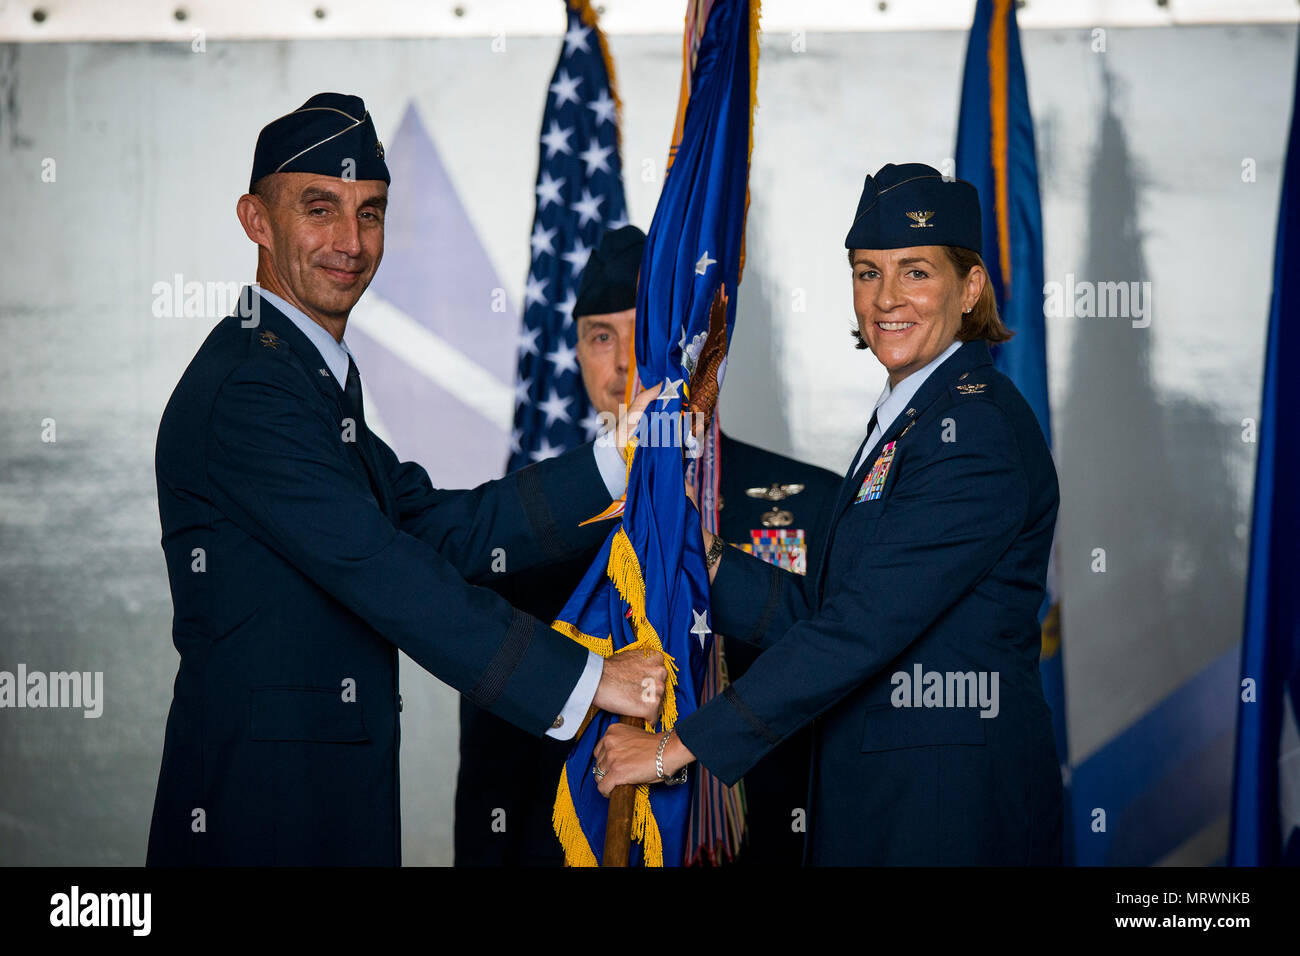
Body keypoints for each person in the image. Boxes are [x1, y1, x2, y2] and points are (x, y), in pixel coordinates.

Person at [147, 93, 664, 866]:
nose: (349, 241)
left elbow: (438, 531)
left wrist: (614, 460)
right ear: (256, 220)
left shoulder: (301, 378)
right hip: (262, 815)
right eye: (319, 208)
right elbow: (390, 573)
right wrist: (590, 680)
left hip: (313, 806)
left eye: (371, 213)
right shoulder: (252, 390)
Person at [593, 163, 1064, 865]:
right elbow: (829, 610)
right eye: (868, 272)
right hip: (890, 803)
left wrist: (675, 748)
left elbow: (859, 628)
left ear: (970, 289)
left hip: (945, 815)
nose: (886, 298)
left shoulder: (976, 431)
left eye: (916, 272)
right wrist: (698, 552)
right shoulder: (915, 417)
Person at [455, 226, 838, 866]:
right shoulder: (525, 530)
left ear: (693, 347)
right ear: (575, 352)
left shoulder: (810, 504)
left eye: (648, 332)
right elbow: (496, 758)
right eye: (601, 337)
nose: (627, 363)